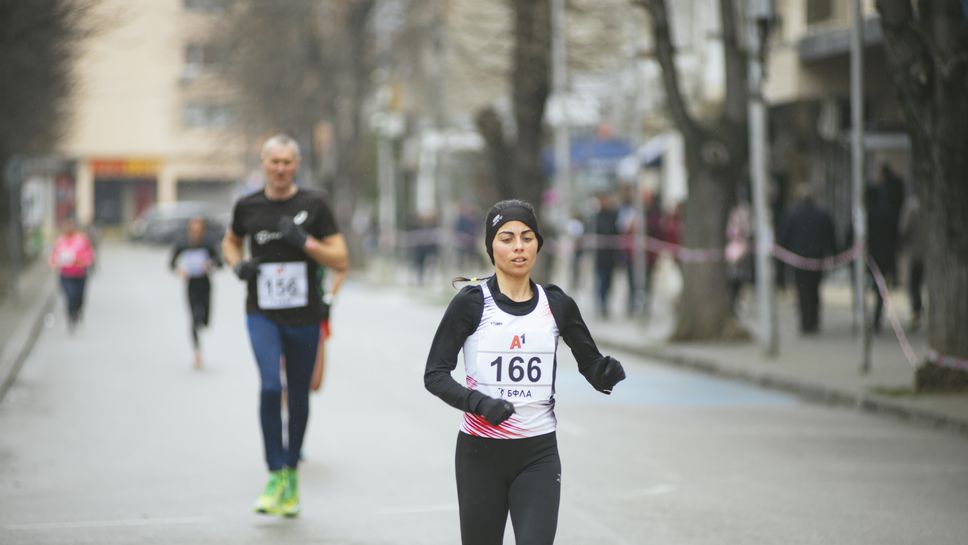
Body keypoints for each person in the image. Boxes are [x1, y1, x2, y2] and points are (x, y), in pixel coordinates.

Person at [424, 199, 626, 545]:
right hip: (480, 453)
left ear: (538, 244)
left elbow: (590, 364)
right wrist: (480, 403)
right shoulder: (472, 303)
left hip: (538, 454)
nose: (518, 246)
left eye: (527, 237)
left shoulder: (557, 304)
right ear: (491, 246)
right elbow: (435, 374)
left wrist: (605, 373)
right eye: (506, 238)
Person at [222, 133, 348, 517]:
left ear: (296, 166)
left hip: (305, 316)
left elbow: (340, 257)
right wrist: (237, 265)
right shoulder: (248, 205)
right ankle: (274, 471)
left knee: (298, 394)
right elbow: (231, 242)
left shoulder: (314, 204)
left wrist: (306, 243)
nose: (280, 169)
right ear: (263, 163)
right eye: (273, 162)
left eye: (287, 162)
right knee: (270, 385)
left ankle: (291, 474)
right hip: (261, 312)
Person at [780, 184, 837, 334]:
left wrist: (783, 257)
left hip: (798, 258)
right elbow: (830, 236)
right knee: (814, 289)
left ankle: (806, 321)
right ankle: (813, 319)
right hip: (816, 257)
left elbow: (784, 237)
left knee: (802, 290)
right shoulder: (822, 214)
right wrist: (834, 254)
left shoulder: (792, 214)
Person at [170, 217, 222, 369]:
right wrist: (180, 270)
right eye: (193, 230)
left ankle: (202, 322)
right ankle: (197, 352)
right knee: (194, 318)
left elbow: (219, 262)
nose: (196, 233)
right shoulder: (182, 244)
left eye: (199, 230)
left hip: (205, 283)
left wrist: (209, 265)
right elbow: (171, 263)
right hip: (191, 284)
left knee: (205, 320)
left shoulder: (208, 243)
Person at [48, 218, 95, 331]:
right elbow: (54, 256)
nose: (68, 228)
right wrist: (54, 263)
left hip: (80, 274)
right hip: (66, 275)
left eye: (71, 226)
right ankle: (71, 317)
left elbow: (89, 254)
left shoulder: (81, 240)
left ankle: (78, 310)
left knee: (79, 297)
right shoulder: (60, 241)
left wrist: (83, 261)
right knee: (70, 296)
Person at [310, 267, 346, 391]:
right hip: (280, 316)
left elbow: (341, 267)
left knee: (315, 382)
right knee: (283, 382)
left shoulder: (317, 248)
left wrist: (329, 298)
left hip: (316, 312)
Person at [899, 193, 925, 331]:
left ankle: (916, 313)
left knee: (913, 285)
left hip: (914, 252)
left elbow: (904, 229)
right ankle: (918, 311)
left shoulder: (911, 206)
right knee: (918, 285)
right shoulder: (929, 206)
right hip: (926, 252)